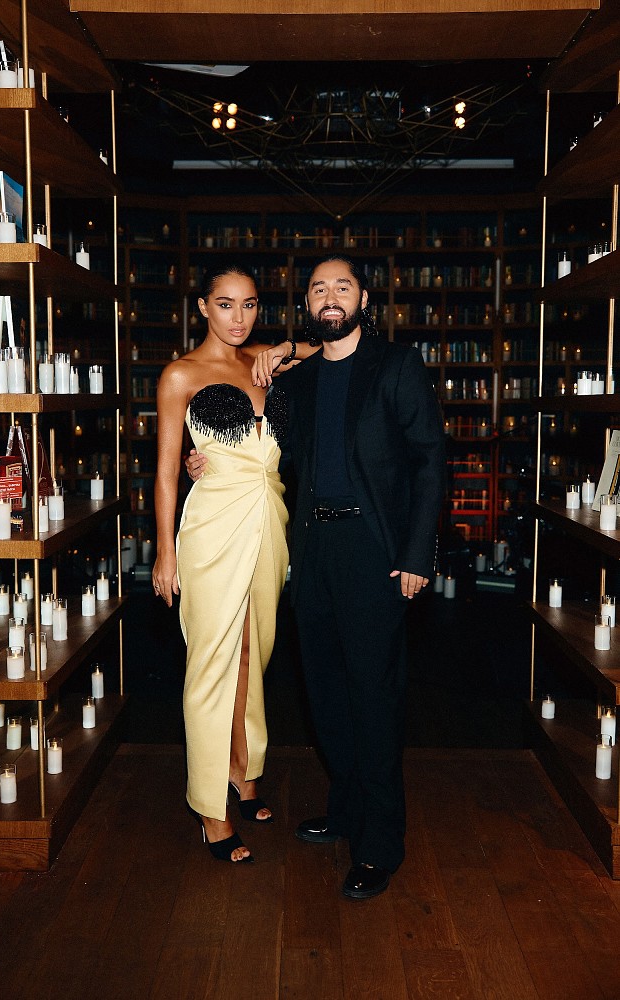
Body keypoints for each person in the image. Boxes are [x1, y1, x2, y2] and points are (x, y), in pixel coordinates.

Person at [187, 254, 446, 897]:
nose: (331, 297)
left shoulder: (396, 366)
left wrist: (417, 555)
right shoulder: (297, 382)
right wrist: (207, 461)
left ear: (364, 298)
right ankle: (346, 808)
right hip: (310, 549)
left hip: (373, 550)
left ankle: (379, 843)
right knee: (325, 693)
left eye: (343, 287)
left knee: (374, 696)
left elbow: (430, 461)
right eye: (319, 288)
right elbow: (266, 452)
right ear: (307, 303)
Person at [152, 262, 290, 863]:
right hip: (210, 529)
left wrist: (284, 347)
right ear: (203, 307)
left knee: (253, 655)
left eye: (250, 304)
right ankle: (211, 807)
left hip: (271, 525)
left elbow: (333, 341)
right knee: (211, 663)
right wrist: (165, 553)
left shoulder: (267, 361)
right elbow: (165, 472)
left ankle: (242, 767)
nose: (239, 316)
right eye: (226, 304)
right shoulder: (181, 374)